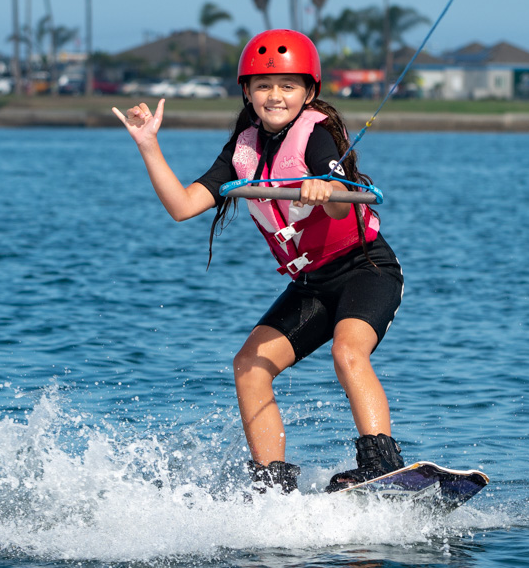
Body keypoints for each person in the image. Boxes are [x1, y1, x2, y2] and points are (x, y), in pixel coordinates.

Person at [113, 29, 405, 494]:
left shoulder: (319, 135)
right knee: (249, 364)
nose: (276, 96)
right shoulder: (242, 150)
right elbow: (183, 206)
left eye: (289, 86)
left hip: (365, 271)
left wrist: (325, 190)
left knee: (347, 351)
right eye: (264, 85)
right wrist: (148, 145)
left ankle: (381, 463)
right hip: (311, 284)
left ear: (309, 92)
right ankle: (273, 485)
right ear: (246, 92)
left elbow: (339, 204)